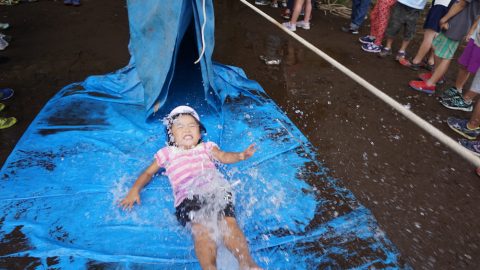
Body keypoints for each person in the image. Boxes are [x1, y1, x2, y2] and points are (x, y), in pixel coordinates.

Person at [119, 106, 262, 270]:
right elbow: (148, 173)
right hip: (188, 197)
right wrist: (134, 189)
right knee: (201, 230)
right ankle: (209, 267)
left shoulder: (207, 147)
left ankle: (246, 263)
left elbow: (222, 156)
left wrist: (240, 156)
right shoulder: (167, 153)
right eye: (179, 126)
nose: (186, 129)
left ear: (200, 133)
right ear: (171, 135)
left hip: (217, 190)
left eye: (192, 125)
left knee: (228, 224)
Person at [409, 0, 480, 93]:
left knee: (445, 56)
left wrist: (444, 18)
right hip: (457, 21)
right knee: (437, 47)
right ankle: (436, 75)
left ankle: (430, 84)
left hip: (458, 23)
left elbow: (461, 4)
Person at [398, 0, 455, 70]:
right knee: (436, 35)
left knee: (429, 36)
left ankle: (416, 61)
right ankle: (431, 61)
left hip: (439, 6)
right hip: (449, 7)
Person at [440, 17, 480, 111]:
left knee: (478, 76)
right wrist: (472, 30)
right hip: (476, 36)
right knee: (464, 64)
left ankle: (467, 101)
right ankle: (458, 89)